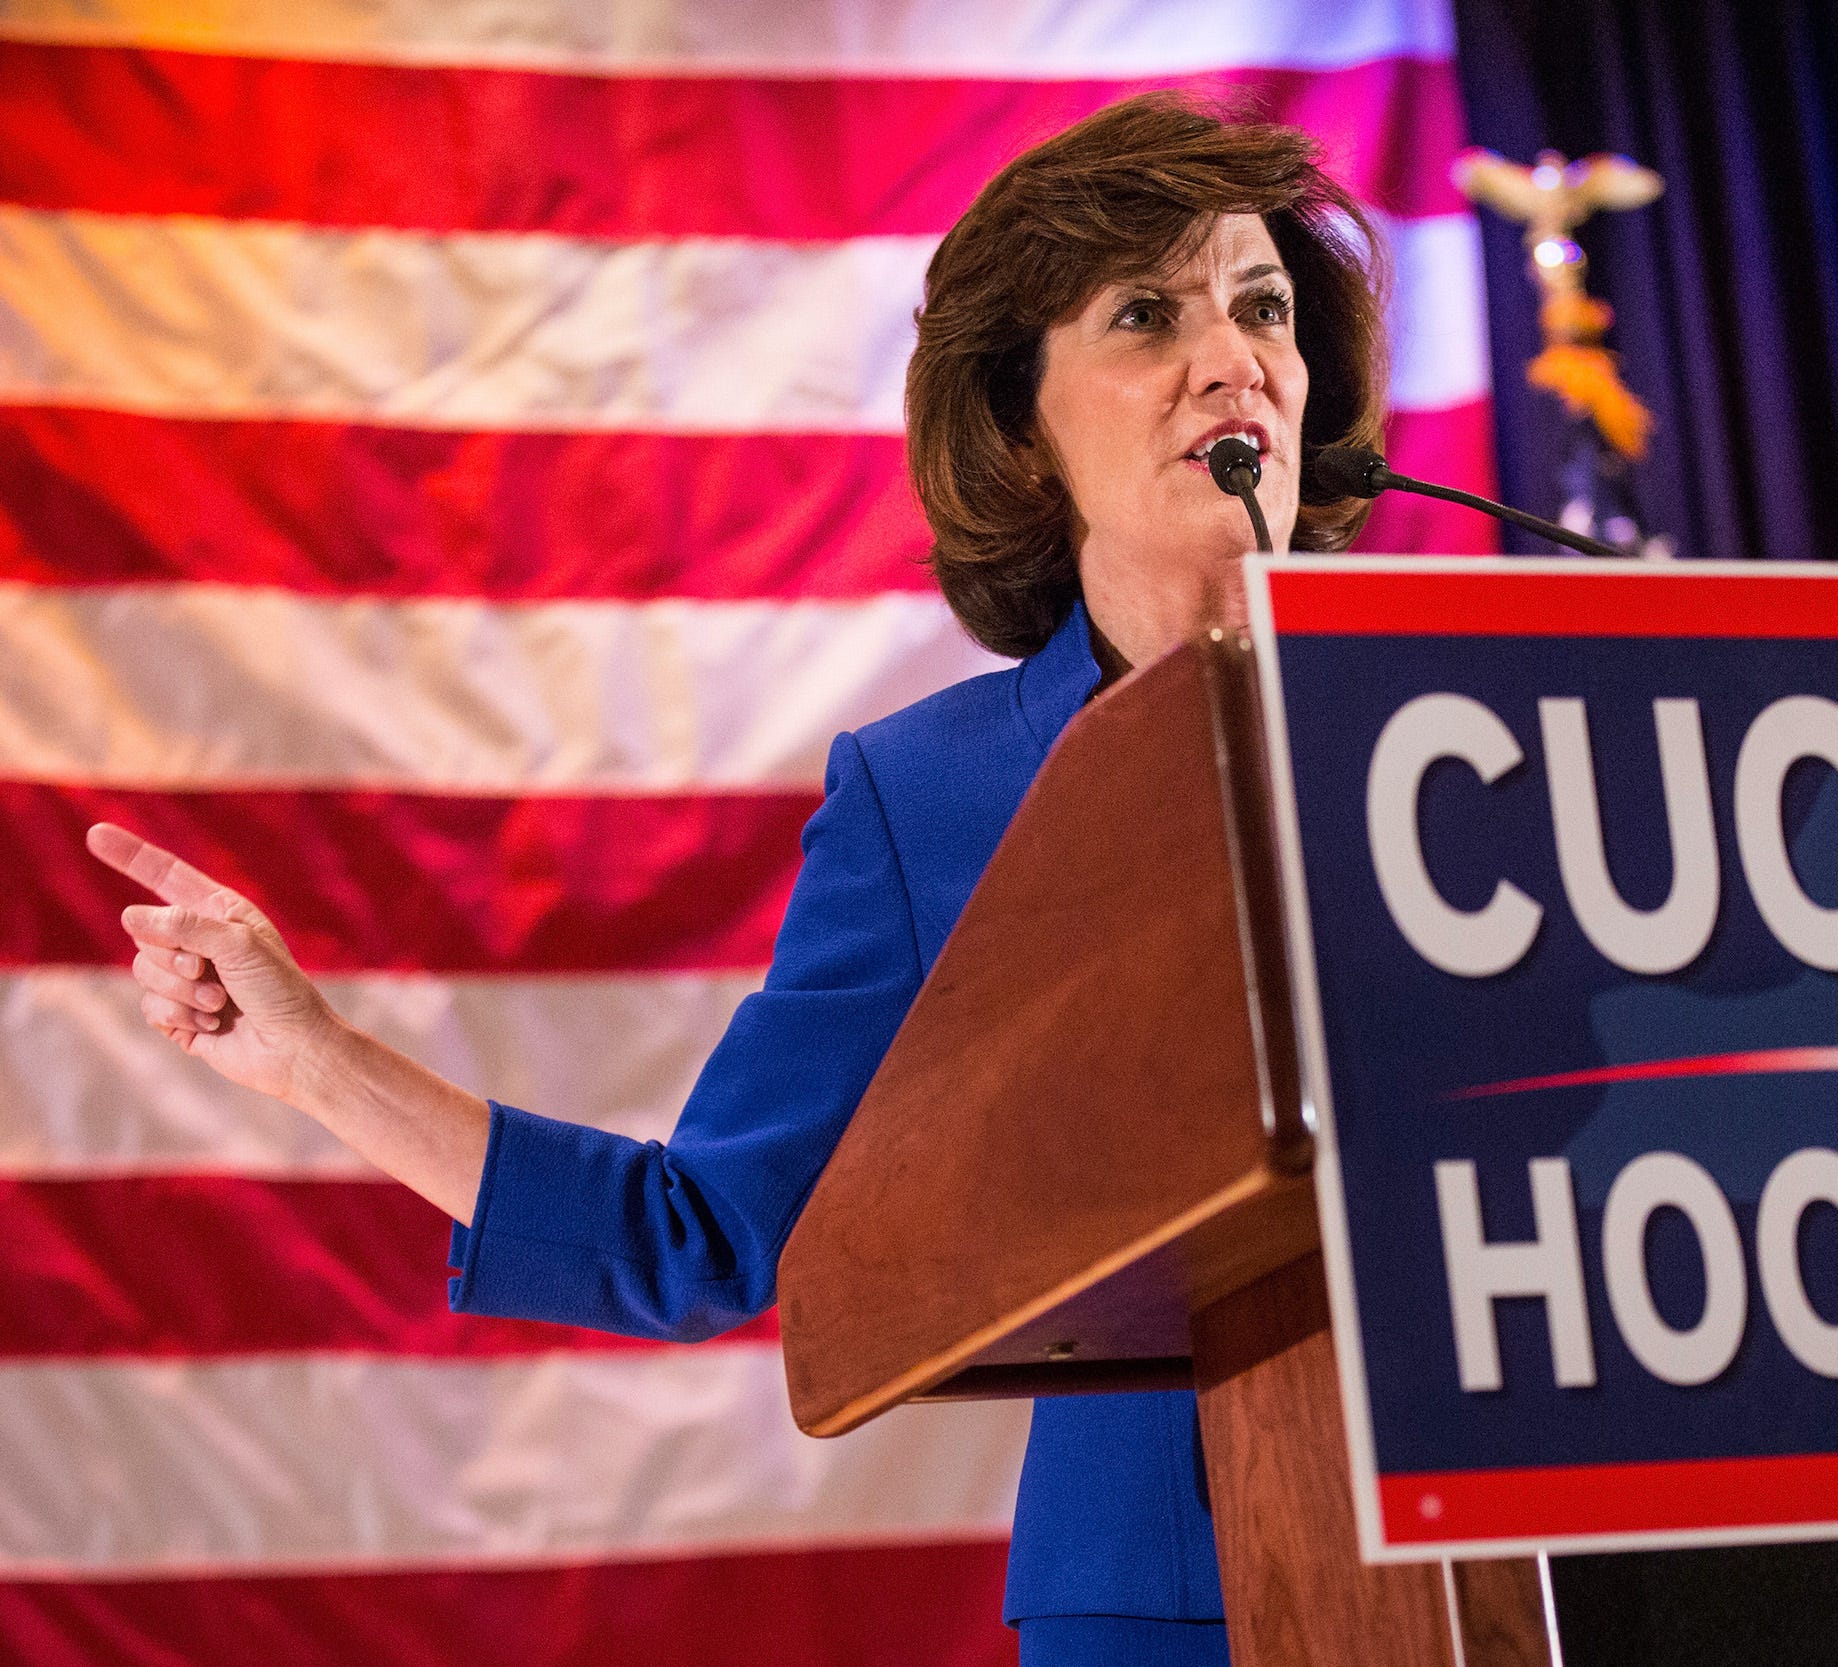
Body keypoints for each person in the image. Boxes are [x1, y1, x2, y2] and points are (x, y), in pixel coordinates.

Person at [83, 93, 1388, 1667]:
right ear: (1023, 427)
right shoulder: (935, 797)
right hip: (1188, 1590)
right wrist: (315, 1063)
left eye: (1260, 308)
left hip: (1576, 1500)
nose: (1233, 355)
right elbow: (694, 1238)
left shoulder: (1484, 711)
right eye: (1144, 315)